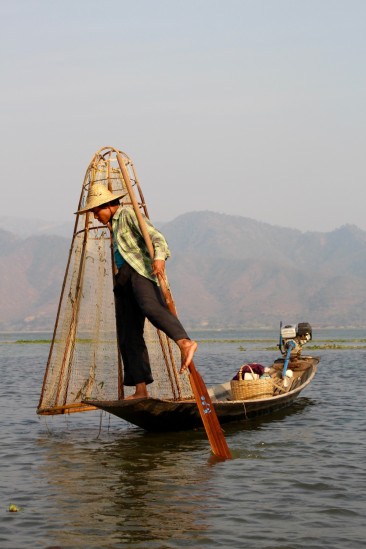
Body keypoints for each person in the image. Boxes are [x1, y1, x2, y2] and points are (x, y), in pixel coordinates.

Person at [76, 183, 197, 399]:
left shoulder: (127, 214)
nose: (95, 216)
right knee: (128, 335)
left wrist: (159, 259)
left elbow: (157, 238)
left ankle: (184, 342)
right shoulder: (113, 225)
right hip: (122, 278)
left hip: (139, 270)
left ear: (108, 206)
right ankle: (140, 389)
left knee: (150, 306)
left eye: (96, 211)